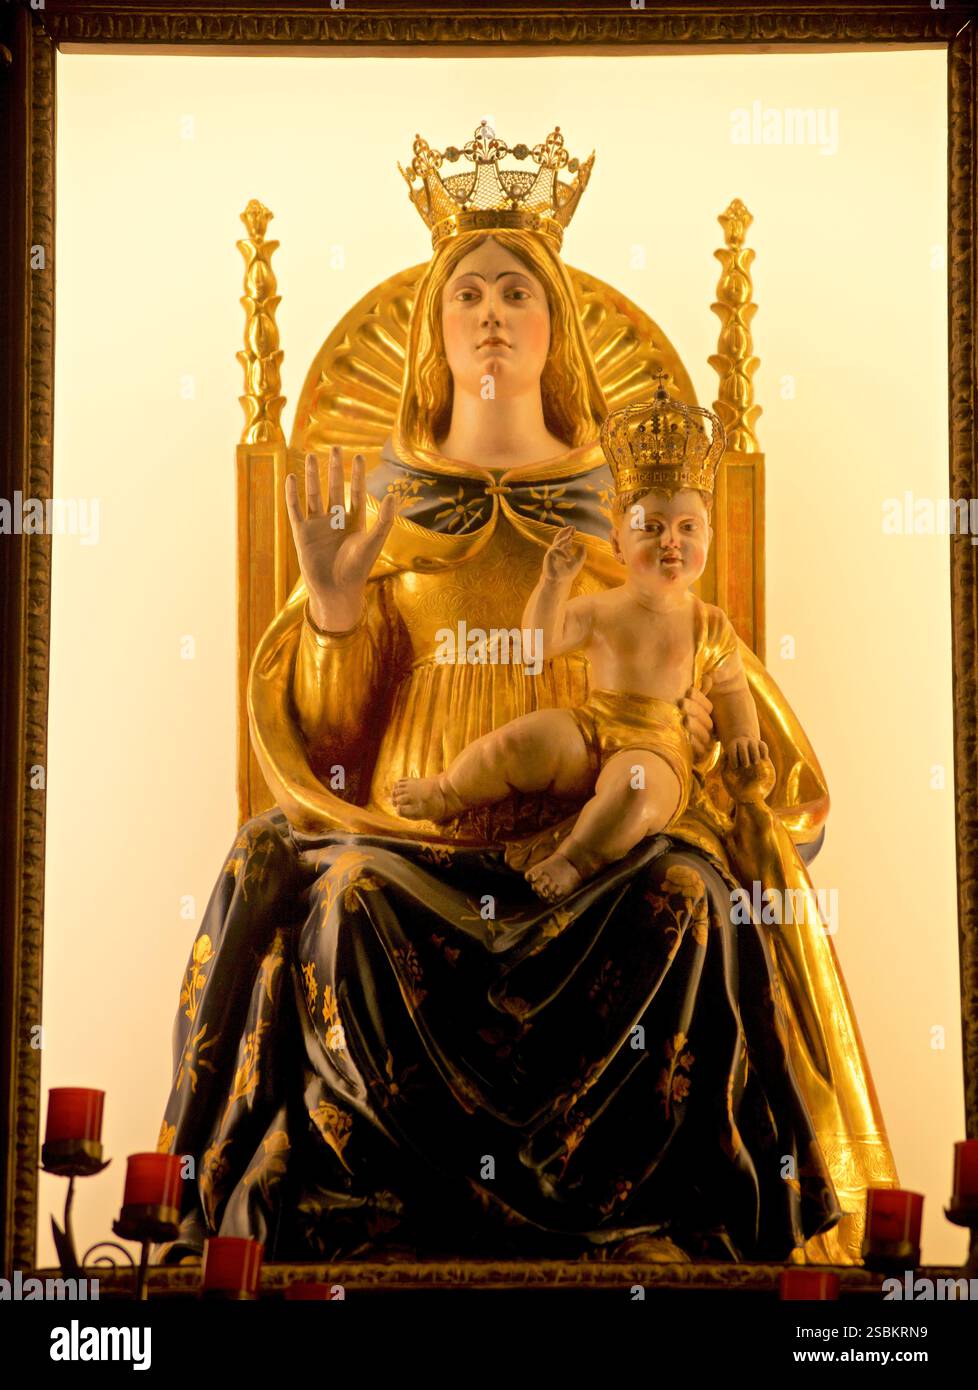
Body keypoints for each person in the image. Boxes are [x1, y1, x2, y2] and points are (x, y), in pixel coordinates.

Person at [157, 123, 898, 1266]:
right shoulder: (380, 505)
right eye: (468, 293)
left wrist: (713, 736)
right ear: (430, 330)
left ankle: (652, 1220)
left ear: (556, 330)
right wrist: (335, 610)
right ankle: (370, 1214)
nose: (492, 312)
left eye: (517, 290)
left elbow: (705, 654)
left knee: (694, 903)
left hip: (597, 842)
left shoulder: (636, 502)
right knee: (343, 902)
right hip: (415, 835)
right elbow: (330, 750)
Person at [393, 391, 770, 903]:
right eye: (651, 528)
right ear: (616, 545)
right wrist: (553, 584)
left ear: (709, 534)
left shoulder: (709, 625)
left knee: (633, 792)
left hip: (659, 746)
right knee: (516, 742)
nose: (670, 542)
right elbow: (536, 644)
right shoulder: (603, 608)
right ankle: (449, 790)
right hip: (591, 725)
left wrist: (743, 734)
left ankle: (574, 859)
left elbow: (731, 691)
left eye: (688, 528)